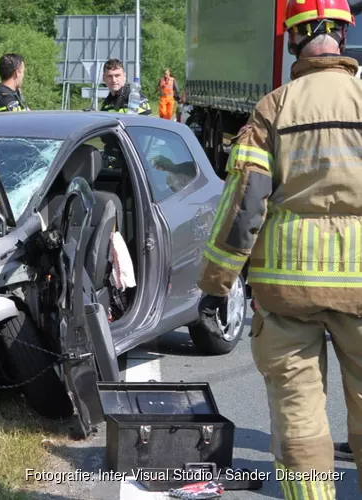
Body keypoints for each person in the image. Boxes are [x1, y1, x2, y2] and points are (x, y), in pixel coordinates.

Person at [196, 1, 362, 496]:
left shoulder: (275, 107)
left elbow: (244, 206)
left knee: (299, 415)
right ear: (343, 36)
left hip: (287, 290)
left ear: (295, 38)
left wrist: (216, 282)